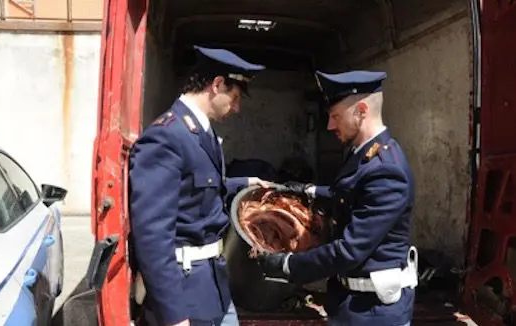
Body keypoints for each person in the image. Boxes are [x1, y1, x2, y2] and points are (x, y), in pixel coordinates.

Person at [256, 70, 417, 326]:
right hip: (349, 302)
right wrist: (305, 190)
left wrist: (288, 265)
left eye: (335, 116)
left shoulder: (387, 171)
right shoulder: (362, 154)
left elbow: (349, 250)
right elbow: (345, 194)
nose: (330, 126)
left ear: (361, 110)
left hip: (374, 312)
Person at [128, 45, 269, 326]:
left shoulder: (198, 131)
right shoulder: (165, 137)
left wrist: (247, 183)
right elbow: (153, 238)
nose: (237, 107)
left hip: (212, 282)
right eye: (235, 96)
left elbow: (198, 189)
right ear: (217, 85)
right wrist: (174, 315)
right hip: (184, 289)